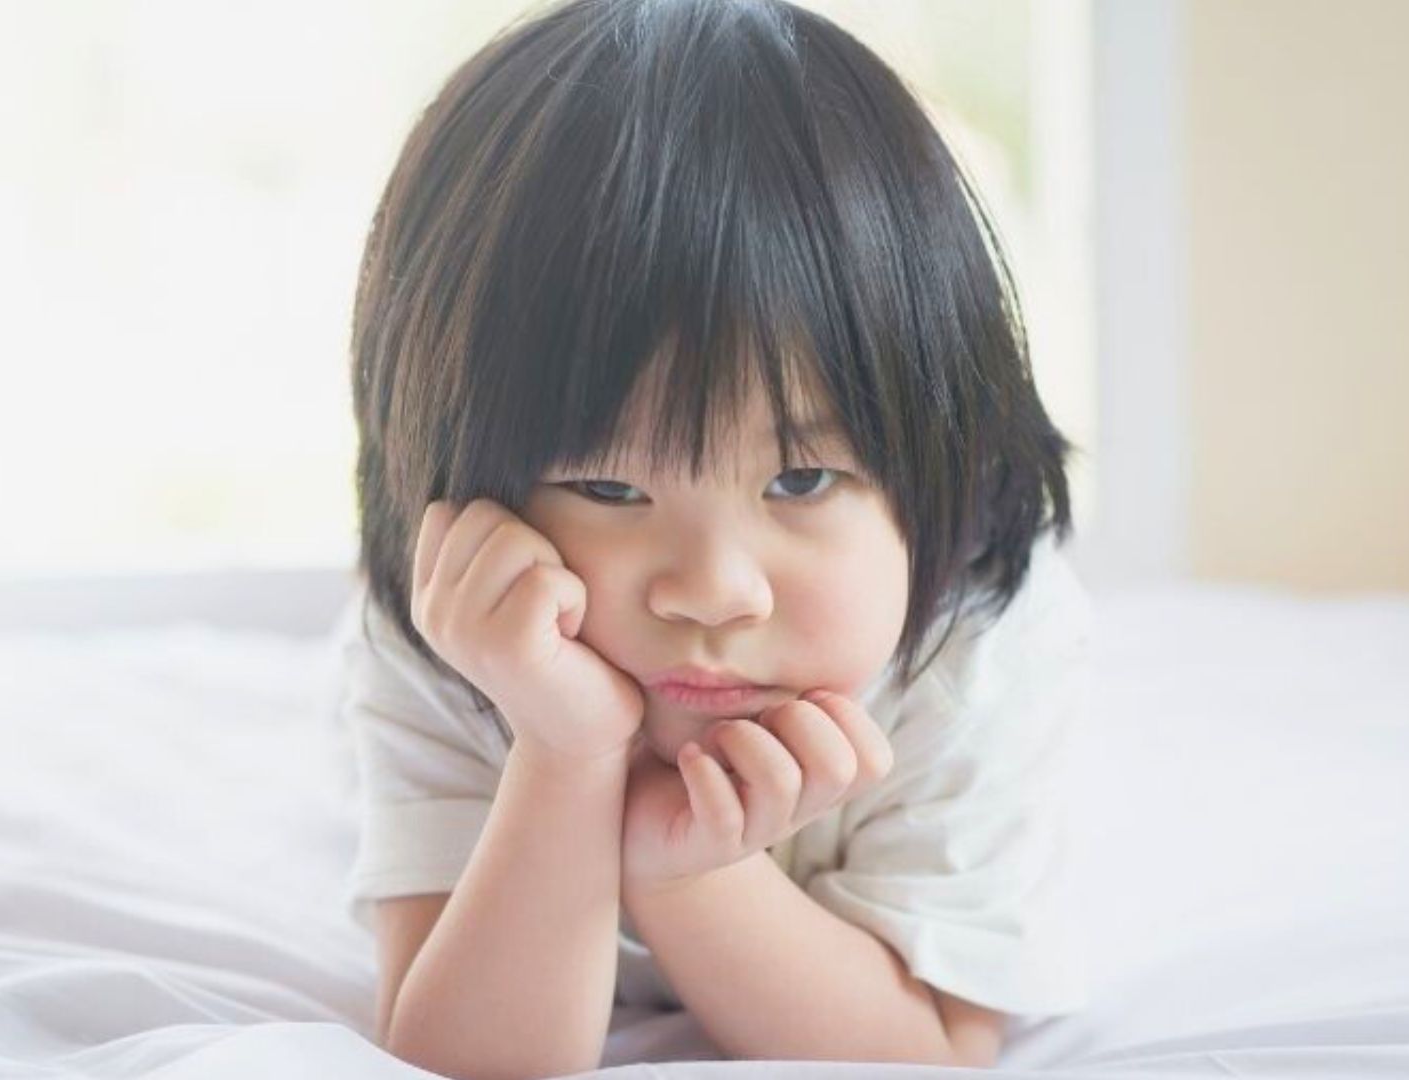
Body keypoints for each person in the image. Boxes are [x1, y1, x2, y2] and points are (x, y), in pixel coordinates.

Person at [332, 0, 1092, 1073]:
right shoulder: (461, 630)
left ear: (946, 458)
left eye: (802, 477)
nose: (714, 590)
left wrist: (689, 878)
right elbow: (462, 1060)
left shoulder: (975, 643)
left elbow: (932, 1052)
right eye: (604, 484)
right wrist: (566, 755)